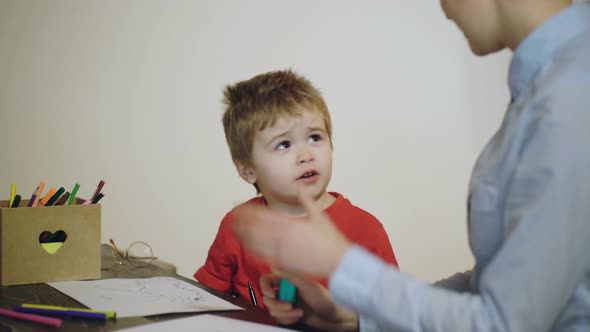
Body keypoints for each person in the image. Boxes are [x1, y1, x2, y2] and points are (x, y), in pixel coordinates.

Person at [232, 0, 590, 331]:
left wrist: (343, 265)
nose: (444, 10)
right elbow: (492, 288)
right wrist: (354, 316)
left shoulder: (570, 102)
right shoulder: (551, 89)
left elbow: (501, 323)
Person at [194, 69, 399, 310]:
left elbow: (393, 317)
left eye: (314, 137)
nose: (305, 155)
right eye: (284, 144)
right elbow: (207, 302)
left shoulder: (366, 230)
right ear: (248, 170)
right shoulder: (238, 226)